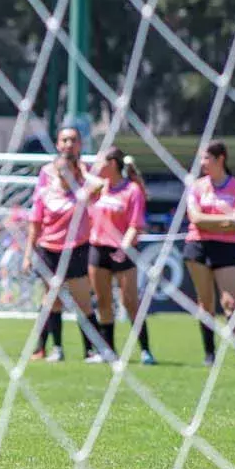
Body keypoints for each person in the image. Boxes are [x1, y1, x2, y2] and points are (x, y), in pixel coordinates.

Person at [22, 126, 103, 363]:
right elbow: (35, 220)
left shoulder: (85, 179)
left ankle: (92, 349)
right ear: (57, 144)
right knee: (51, 299)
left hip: (76, 247)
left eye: (73, 140)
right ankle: (52, 348)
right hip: (50, 248)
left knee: (82, 299)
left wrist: (80, 172)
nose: (69, 144)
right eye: (64, 140)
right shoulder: (46, 179)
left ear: (80, 144)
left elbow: (99, 186)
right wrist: (29, 252)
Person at [184, 139, 235, 367]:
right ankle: (209, 355)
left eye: (206, 158)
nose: (202, 163)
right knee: (205, 304)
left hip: (226, 248)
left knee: (230, 302)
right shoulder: (196, 187)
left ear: (220, 159)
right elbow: (196, 219)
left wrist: (212, 222)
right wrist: (225, 220)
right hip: (198, 246)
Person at [88, 147, 155, 365]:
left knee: (130, 302)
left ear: (113, 164)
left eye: (101, 162)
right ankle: (108, 351)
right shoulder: (99, 189)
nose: (97, 166)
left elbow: (136, 225)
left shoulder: (132, 190)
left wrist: (122, 248)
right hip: (98, 249)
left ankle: (145, 350)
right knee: (103, 301)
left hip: (123, 251)